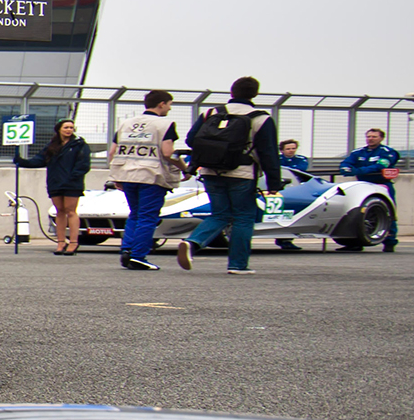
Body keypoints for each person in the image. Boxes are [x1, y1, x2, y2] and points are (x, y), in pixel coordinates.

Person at [178, 76, 283, 276]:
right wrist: (274, 184)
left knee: (220, 214)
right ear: (255, 94)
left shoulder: (211, 113)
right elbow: (269, 153)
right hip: (242, 173)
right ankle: (238, 265)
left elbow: (192, 140)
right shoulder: (261, 118)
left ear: (232, 92)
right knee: (243, 217)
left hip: (210, 171)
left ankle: (193, 242)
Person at [102, 90, 187, 271]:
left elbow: (112, 152)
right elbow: (168, 152)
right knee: (148, 217)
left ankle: (127, 250)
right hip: (151, 176)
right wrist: (184, 168)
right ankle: (138, 256)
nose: (170, 109)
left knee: (135, 214)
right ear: (162, 104)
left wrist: (116, 175)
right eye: (169, 105)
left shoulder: (126, 124)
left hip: (127, 175)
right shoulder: (165, 124)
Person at [23, 118, 91, 255]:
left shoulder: (79, 145)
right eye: (66, 127)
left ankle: (73, 242)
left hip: (72, 183)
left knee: (70, 211)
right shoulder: (52, 145)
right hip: (55, 182)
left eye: (71, 127)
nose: (69, 130)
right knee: (60, 211)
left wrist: (73, 177)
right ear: (59, 129)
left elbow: (83, 164)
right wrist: (22, 161)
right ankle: (61, 242)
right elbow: (40, 160)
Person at [339, 127, 402, 253]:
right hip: (362, 186)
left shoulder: (388, 152)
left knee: (387, 212)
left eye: (374, 137)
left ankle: (389, 241)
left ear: (381, 138)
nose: (370, 139)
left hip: (382, 185)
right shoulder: (358, 152)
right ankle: (355, 243)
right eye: (368, 136)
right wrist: (350, 170)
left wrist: (358, 171)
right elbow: (345, 165)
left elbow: (380, 166)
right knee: (357, 213)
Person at [273, 140, 312, 250]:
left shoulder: (301, 159)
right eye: (288, 149)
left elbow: (300, 169)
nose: (291, 151)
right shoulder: (276, 158)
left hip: (295, 188)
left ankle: (286, 240)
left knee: (291, 213)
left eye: (293, 148)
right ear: (282, 150)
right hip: (278, 189)